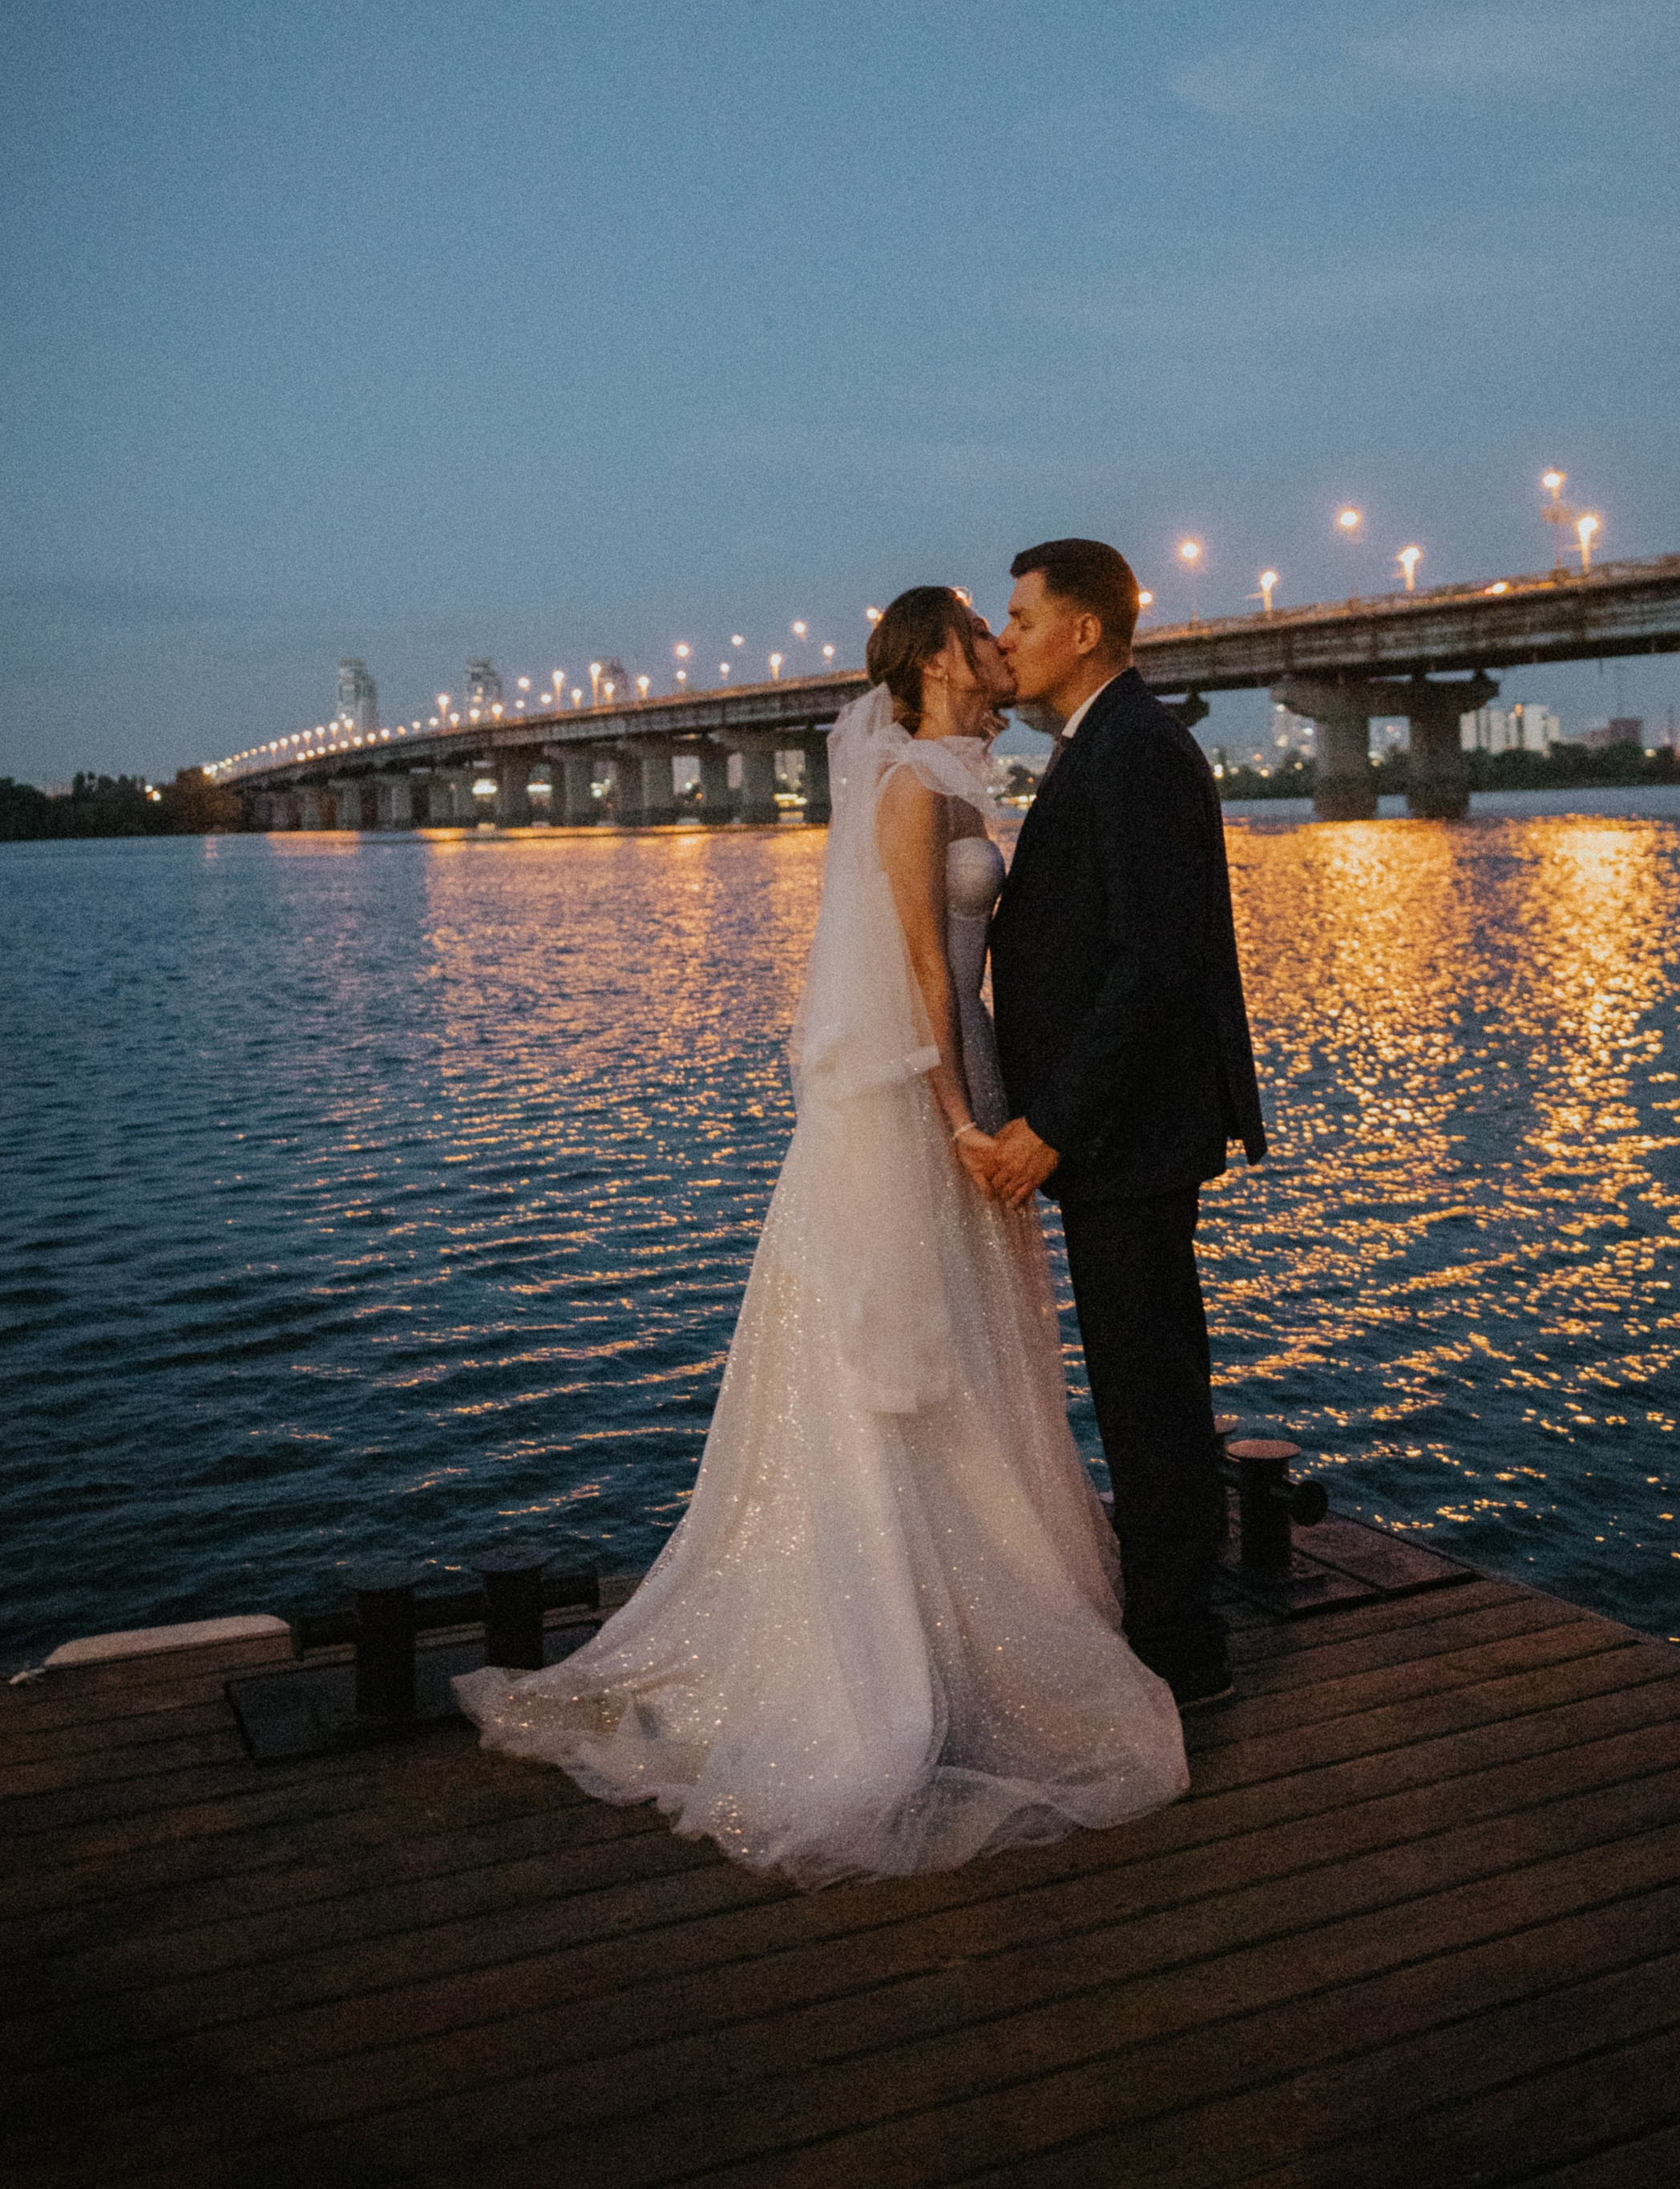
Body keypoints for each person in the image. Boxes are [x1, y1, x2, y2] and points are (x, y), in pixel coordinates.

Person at [454, 585, 1186, 1884]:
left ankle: (965, 1622)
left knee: (964, 1349)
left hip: (967, 1090)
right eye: (985, 630)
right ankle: (890, 1646)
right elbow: (914, 960)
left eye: (1011, 621)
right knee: (897, 1353)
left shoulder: (957, 777)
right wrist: (963, 1112)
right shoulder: (909, 784)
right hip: (914, 1101)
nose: (1002, 644)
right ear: (939, 657)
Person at [981, 539, 1266, 1710]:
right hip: (1118, 1134)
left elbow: (1154, 964)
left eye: (1020, 618)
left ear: (1084, 630)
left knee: (1149, 1387)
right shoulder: (1103, 742)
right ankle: (1168, 1615)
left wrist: (1053, 1119)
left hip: (1126, 1133)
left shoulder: (1138, 749)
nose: (1005, 640)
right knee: (1147, 1374)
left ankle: (1181, 1648)